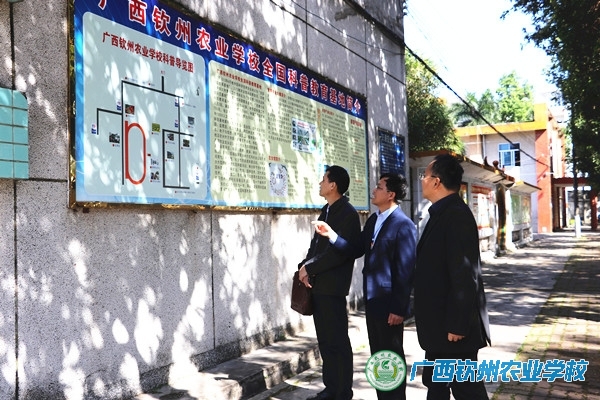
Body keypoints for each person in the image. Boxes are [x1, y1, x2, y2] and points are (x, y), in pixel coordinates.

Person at [313, 173, 416, 400]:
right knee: (378, 358)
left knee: (391, 357)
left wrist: (399, 308)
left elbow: (405, 271)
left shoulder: (404, 225)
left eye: (379, 187)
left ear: (391, 194)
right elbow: (355, 249)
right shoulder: (373, 220)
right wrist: (332, 235)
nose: (374, 190)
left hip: (390, 305)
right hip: (373, 302)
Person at [414, 153, 491, 400]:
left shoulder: (456, 215)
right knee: (436, 385)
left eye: (424, 175)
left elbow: (465, 274)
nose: (422, 180)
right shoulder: (440, 213)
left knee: (467, 389)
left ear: (436, 181)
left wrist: (458, 324)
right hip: (438, 324)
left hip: (453, 329)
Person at [298, 165, 361, 400]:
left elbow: (340, 253)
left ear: (333, 185)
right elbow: (316, 246)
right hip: (318, 285)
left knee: (337, 342)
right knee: (325, 341)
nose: (320, 183)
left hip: (333, 288)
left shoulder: (348, 214)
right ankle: (331, 388)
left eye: (323, 179)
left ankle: (343, 391)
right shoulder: (327, 209)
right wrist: (303, 267)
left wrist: (310, 268)